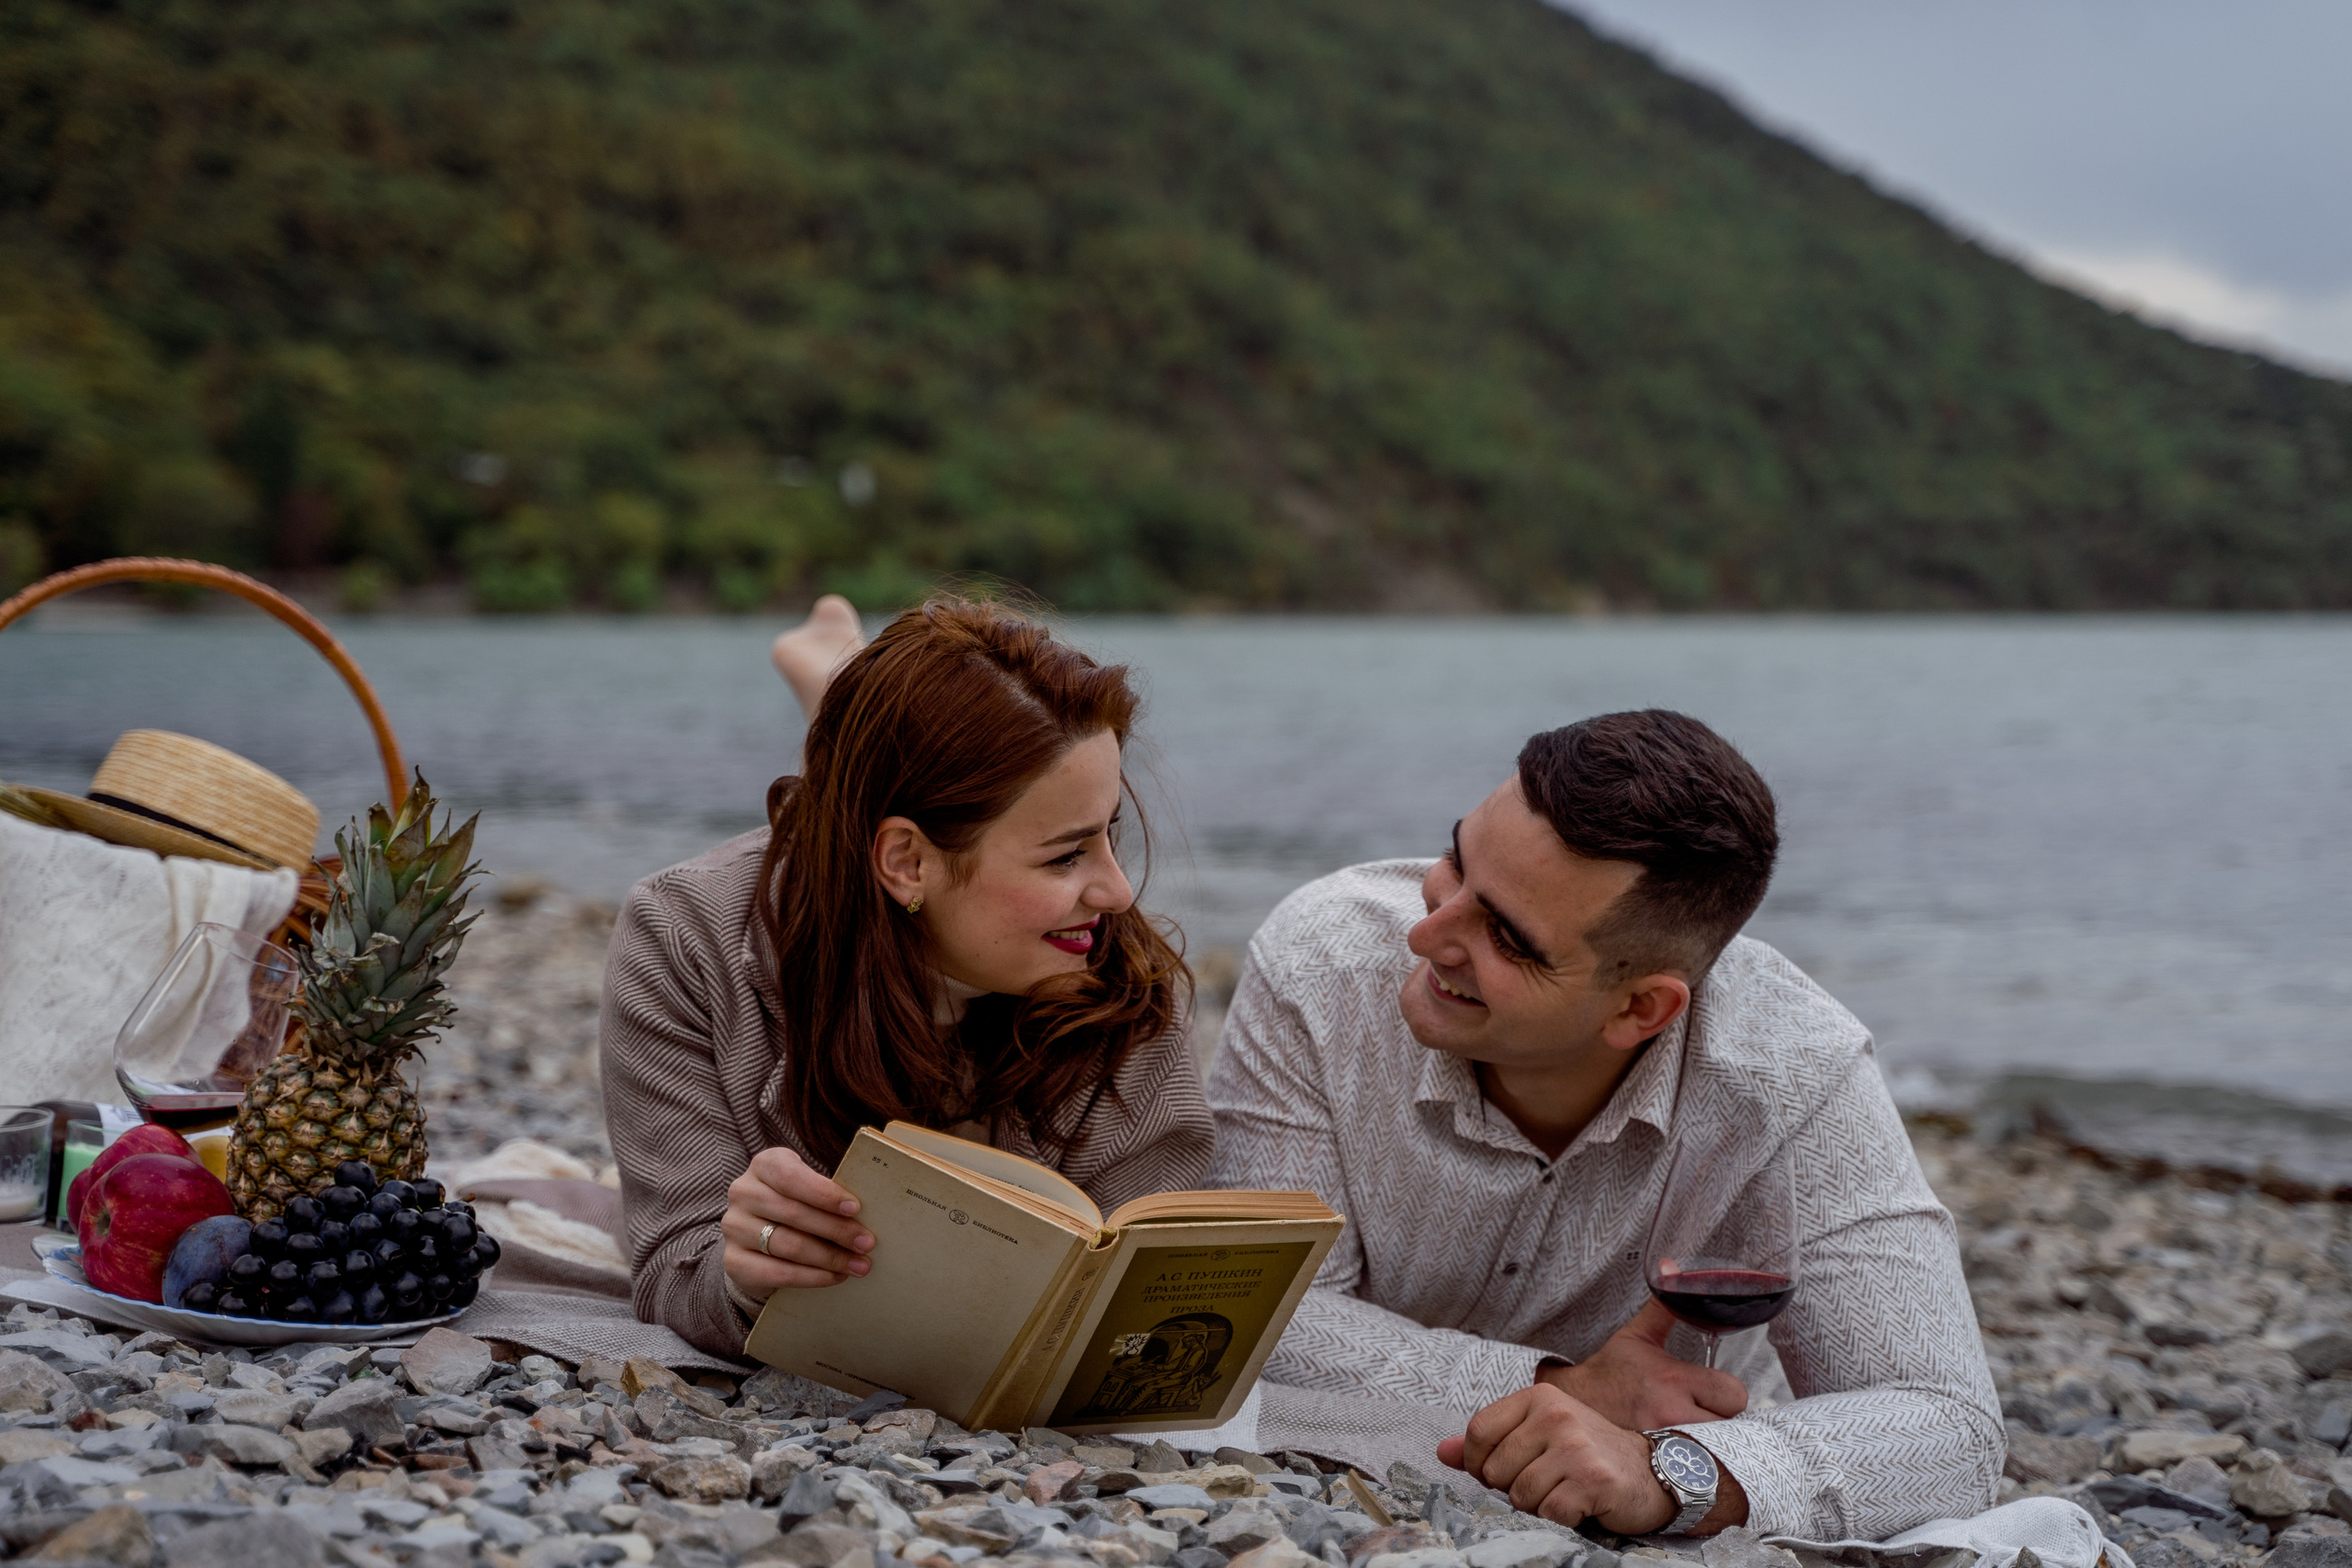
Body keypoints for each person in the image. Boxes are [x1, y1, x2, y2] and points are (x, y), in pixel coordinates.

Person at [1209, 710, 2001, 1541]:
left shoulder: (1793, 1070)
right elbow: (1262, 1313)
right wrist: (1564, 1384)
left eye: (1508, 937)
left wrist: (1673, 1474)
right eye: (1456, 860)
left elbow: (1951, 1429)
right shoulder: (1321, 962)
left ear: (1639, 1007)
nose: (1426, 931)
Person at [600, 594, 1213, 1358]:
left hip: (901, 865)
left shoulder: (1109, 960)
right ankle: (830, 676)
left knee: (885, 774)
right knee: (871, 792)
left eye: (1109, 832)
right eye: (1066, 854)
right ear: (907, 862)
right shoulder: (685, 934)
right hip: (875, 880)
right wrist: (743, 1278)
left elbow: (1157, 1263)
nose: (1120, 892)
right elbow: (671, 1266)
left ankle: (836, 681)